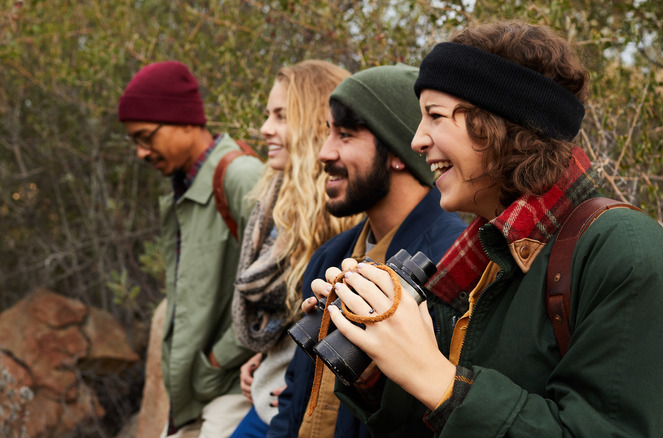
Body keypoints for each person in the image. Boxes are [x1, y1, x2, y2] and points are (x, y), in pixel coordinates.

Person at [316, 21, 663, 437]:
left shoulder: (627, 253)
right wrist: (372, 353)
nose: (418, 139)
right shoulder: (481, 256)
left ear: (499, 124)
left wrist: (436, 378)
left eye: (435, 116)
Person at [266, 64, 466, 438]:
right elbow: (296, 396)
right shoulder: (330, 258)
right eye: (328, 133)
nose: (325, 153)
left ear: (397, 151)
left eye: (345, 135)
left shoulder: (453, 262)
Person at [118, 61, 266, 437]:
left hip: (233, 388)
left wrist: (217, 361)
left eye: (146, 137)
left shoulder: (240, 176)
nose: (141, 152)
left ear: (184, 119)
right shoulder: (184, 186)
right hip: (198, 394)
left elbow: (280, 283)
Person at [229, 60, 361, 438]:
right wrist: (266, 355)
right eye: (268, 115)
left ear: (313, 125)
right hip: (267, 390)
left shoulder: (339, 212)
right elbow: (293, 319)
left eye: (281, 116)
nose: (265, 129)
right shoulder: (276, 200)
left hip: (294, 406)